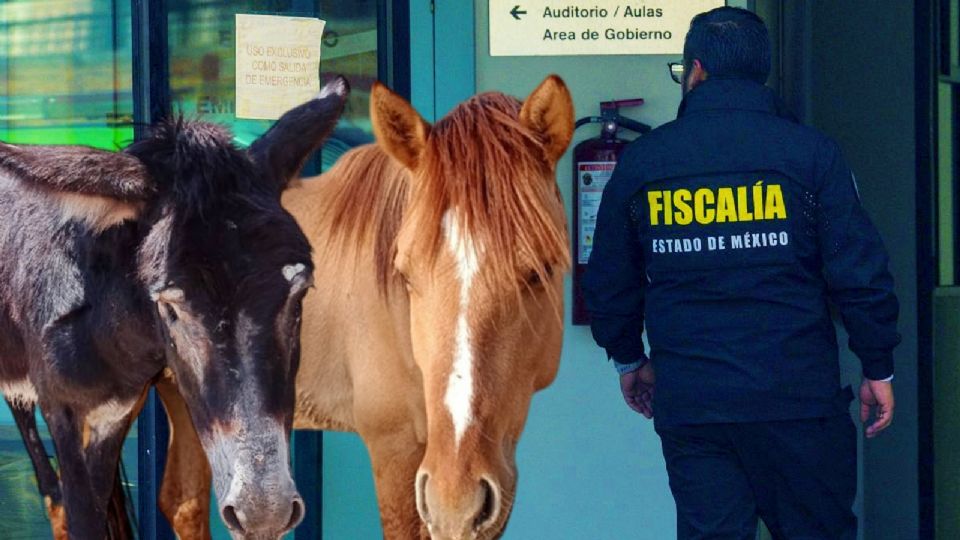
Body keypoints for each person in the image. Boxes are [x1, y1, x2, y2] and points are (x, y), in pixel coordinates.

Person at [583, 6, 900, 540]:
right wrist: (878, 366)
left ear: (696, 69)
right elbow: (860, 273)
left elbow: (610, 278)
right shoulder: (811, 155)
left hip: (695, 405)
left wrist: (628, 357)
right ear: (762, 73)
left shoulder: (645, 162)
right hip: (797, 403)